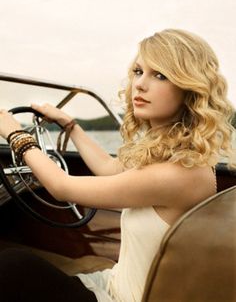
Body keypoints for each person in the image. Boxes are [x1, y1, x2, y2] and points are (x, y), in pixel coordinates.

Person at [0, 29, 235, 302]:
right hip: (114, 282)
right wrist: (71, 125)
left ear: (189, 87)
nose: (140, 84)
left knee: (13, 266)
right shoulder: (169, 152)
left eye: (159, 75)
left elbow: (62, 187)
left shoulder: (178, 173)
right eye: (138, 71)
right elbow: (109, 168)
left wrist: (16, 136)